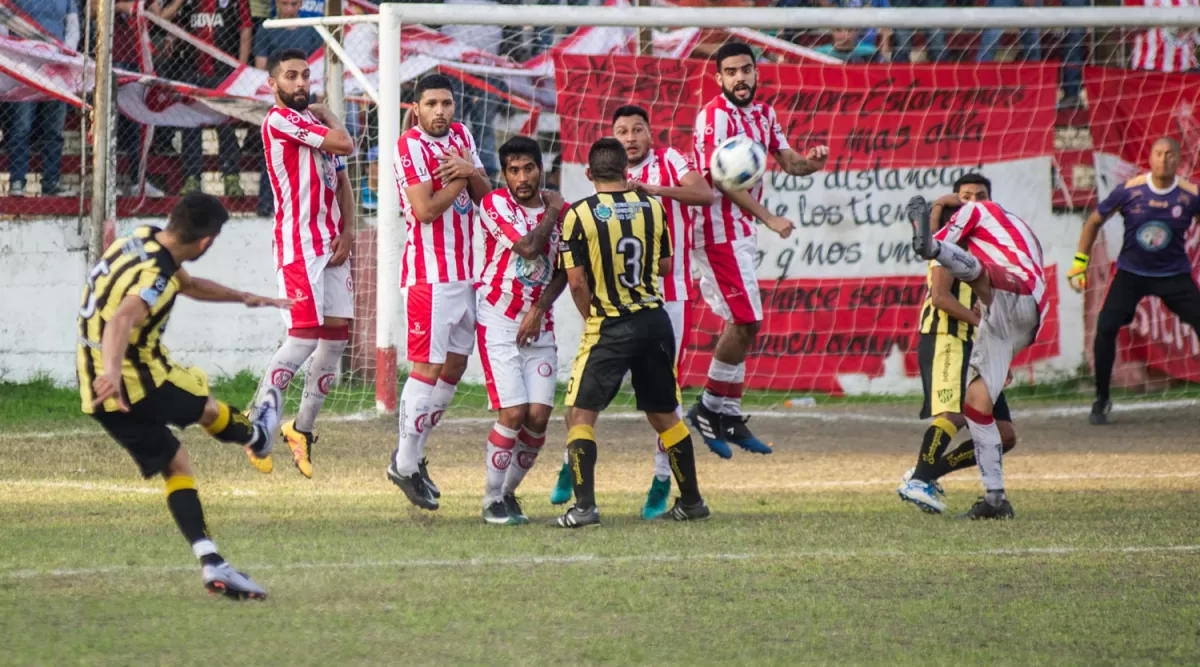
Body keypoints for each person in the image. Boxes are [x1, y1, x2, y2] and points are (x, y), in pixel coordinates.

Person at [78, 193, 289, 599]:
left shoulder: (140, 238)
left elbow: (187, 285)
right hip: (134, 379)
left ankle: (212, 561)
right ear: (207, 242)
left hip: (97, 389)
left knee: (176, 463)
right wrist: (112, 373)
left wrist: (243, 296)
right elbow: (123, 318)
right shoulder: (157, 272)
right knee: (205, 404)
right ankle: (257, 437)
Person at [547, 104, 713, 520]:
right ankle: (692, 501)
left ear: (589, 175)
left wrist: (594, 316)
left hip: (609, 322)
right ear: (627, 169)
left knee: (579, 414)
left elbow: (578, 282)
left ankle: (584, 506)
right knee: (665, 415)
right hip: (655, 319)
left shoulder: (578, 214)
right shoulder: (653, 207)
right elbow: (662, 266)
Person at [687, 41, 829, 458]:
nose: (740, 77)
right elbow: (724, 181)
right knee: (747, 320)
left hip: (740, 233)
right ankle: (710, 408)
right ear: (719, 78)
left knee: (744, 322)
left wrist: (812, 162)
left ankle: (726, 413)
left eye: (746, 69)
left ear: (756, 72)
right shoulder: (713, 117)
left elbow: (788, 161)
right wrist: (769, 217)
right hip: (715, 231)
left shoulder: (765, 114)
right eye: (730, 71)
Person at [905, 186, 1048, 520]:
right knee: (976, 407)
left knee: (977, 273)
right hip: (1022, 317)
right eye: (964, 194)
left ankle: (922, 476)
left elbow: (944, 249)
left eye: (976, 194)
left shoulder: (974, 213)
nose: (969, 200)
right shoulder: (1018, 229)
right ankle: (995, 499)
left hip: (1008, 293)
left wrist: (934, 226)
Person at [246, 48, 356, 478]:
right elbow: (346, 142)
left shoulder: (312, 122)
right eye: (290, 76)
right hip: (299, 247)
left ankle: (301, 429)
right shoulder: (280, 121)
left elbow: (343, 178)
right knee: (303, 339)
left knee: (335, 341)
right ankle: (258, 426)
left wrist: (348, 232)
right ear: (272, 84)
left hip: (331, 246)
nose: (300, 83)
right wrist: (330, 114)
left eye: (305, 76)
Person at [387, 73, 491, 511]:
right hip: (430, 276)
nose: (440, 112)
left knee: (454, 366)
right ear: (416, 108)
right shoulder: (408, 145)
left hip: (470, 274)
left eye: (446, 103)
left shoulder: (463, 135)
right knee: (426, 369)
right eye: (431, 104)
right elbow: (425, 210)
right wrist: (461, 177)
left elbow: (488, 199)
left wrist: (471, 172)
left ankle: (414, 455)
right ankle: (404, 464)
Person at [1067, 137, 1200, 424]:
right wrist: (1079, 264)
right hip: (1131, 275)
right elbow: (1093, 221)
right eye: (1158, 154)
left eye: (1169, 155)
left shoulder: (1190, 195)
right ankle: (1102, 399)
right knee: (1105, 328)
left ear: (1178, 160)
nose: (1164, 159)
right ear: (1150, 159)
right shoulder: (1130, 190)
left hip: (1174, 275)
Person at [474, 136, 566, 525]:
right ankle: (490, 500)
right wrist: (554, 211)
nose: (522, 177)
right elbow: (529, 248)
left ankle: (508, 494)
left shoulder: (562, 213)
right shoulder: (495, 204)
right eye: (513, 170)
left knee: (539, 418)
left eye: (529, 168)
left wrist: (540, 308)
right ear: (503, 174)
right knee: (512, 413)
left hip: (539, 325)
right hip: (498, 319)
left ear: (540, 168)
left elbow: (564, 270)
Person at [172, 0, 254, 196]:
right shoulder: (189, 3)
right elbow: (171, 23)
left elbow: (246, 30)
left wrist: (239, 69)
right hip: (193, 71)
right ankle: (192, 177)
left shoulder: (235, 3)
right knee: (191, 123)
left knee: (224, 123)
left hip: (222, 72)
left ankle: (231, 177)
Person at [251, 0, 325, 216]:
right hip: (278, 98)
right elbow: (260, 67)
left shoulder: (310, 28)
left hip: (304, 97)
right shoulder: (267, 28)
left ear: (301, 3)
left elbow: (318, 64)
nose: (289, 9)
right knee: (275, 150)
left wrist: (316, 94)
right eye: (284, 3)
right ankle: (266, 203)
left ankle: (308, 204)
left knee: (308, 152)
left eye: (294, 4)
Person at [6, 0, 78, 197]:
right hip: (26, 65)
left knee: (54, 129)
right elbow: (4, 19)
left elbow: (73, 26)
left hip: (56, 68)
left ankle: (51, 181)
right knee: (22, 126)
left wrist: (66, 53)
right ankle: (17, 181)